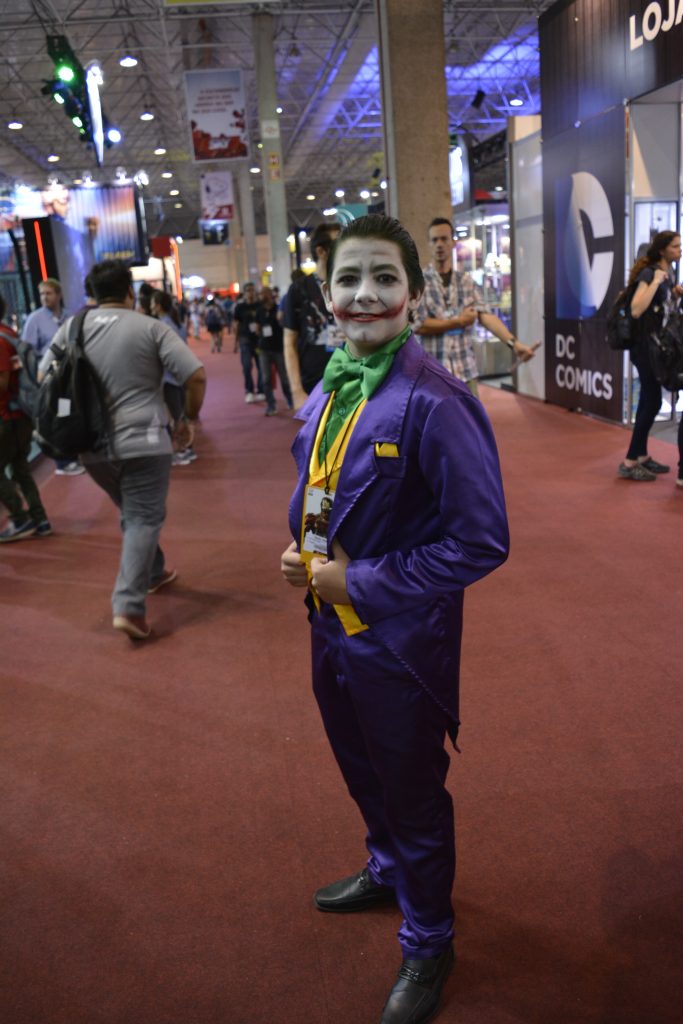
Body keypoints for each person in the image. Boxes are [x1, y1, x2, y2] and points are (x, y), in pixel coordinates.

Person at [280, 215, 509, 1024]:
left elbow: (481, 543)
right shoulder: (333, 380)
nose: (365, 294)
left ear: (412, 292)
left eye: (384, 277)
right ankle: (386, 868)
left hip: (400, 643)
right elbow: (321, 481)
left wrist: (358, 580)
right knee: (360, 769)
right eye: (348, 278)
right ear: (326, 293)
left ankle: (428, 938)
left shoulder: (437, 401)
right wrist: (308, 551)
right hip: (329, 626)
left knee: (411, 792)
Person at [39, 260, 206, 640]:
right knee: (143, 516)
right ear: (130, 292)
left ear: (92, 294)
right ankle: (128, 604)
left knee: (135, 511)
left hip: (91, 446)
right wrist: (189, 418)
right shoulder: (150, 327)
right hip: (145, 441)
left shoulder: (72, 327)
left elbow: (43, 374)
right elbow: (195, 376)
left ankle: (153, 571)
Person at [414, 218, 536, 396]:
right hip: (433, 374)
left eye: (444, 239)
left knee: (472, 415)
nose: (439, 244)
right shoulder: (419, 283)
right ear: (429, 244)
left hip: (465, 371)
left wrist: (514, 344)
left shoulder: (466, 281)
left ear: (453, 242)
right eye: (435, 240)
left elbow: (485, 316)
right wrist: (459, 321)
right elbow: (418, 325)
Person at [620, 230, 683, 484]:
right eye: (675, 246)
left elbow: (660, 308)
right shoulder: (650, 274)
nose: (680, 250)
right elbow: (636, 309)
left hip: (657, 347)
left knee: (650, 400)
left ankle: (641, 455)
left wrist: (674, 293)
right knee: (653, 401)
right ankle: (629, 462)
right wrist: (656, 281)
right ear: (662, 250)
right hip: (644, 348)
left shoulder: (669, 273)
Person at [0, 294, 51, 542]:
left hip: (5, 417)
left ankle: (20, 519)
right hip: (20, 415)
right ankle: (40, 519)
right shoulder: (9, 333)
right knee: (21, 469)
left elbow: (2, 382)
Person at [22, 277, 83, 477]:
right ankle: (63, 461)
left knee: (68, 414)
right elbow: (27, 351)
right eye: (42, 294)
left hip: (68, 377)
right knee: (57, 416)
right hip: (49, 379)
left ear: (58, 295)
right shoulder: (35, 319)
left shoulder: (69, 316)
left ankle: (71, 453)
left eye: (48, 293)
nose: (44, 297)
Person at [282, 224, 345, 409]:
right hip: (313, 384)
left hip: (351, 381)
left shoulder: (351, 285)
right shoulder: (299, 289)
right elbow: (289, 342)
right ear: (321, 251)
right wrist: (296, 391)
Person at [151, 290, 196, 467]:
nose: (150, 306)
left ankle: (182, 449)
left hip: (169, 378)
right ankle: (185, 448)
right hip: (179, 376)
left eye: (153, 303)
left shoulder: (162, 326)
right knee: (179, 415)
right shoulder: (175, 323)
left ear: (158, 305)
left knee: (174, 417)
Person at [256, 285, 293, 416]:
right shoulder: (259, 310)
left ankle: (290, 399)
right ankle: (271, 405)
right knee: (266, 379)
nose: (262, 296)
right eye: (260, 294)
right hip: (264, 349)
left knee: (284, 377)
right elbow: (257, 328)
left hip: (278, 348)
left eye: (264, 293)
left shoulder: (279, 308)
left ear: (270, 294)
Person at [233, 282, 265, 401]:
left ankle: (261, 390)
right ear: (244, 292)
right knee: (246, 366)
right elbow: (236, 325)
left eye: (252, 290)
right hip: (245, 339)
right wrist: (236, 342)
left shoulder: (260, 305)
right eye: (248, 290)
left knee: (261, 366)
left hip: (258, 340)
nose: (250, 293)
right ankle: (249, 390)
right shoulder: (239, 307)